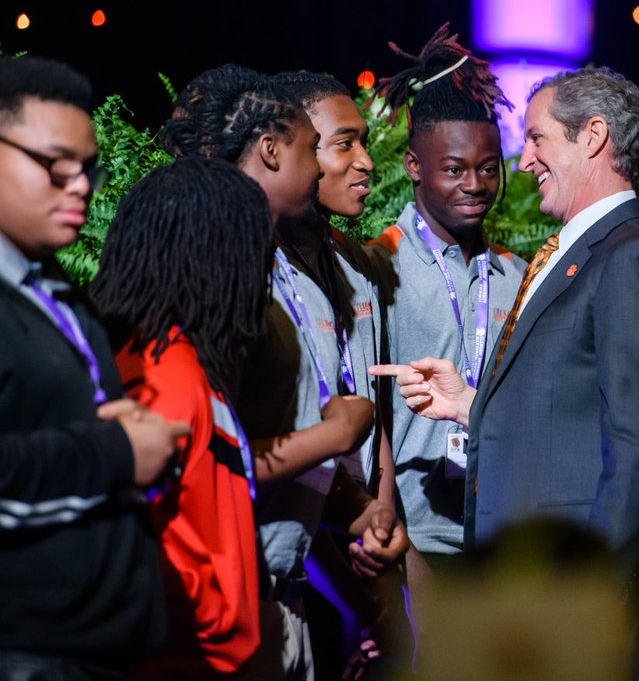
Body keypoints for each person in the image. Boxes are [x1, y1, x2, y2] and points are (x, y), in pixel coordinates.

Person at [373, 66, 639, 676]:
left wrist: (583, 594)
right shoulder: (581, 252)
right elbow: (571, 411)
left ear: (593, 136)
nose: (524, 162)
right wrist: (475, 405)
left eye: (537, 139)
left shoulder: (629, 258)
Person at [167, 68, 403, 680]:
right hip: (219, 598)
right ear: (272, 149)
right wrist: (332, 438)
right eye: (320, 147)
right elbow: (210, 460)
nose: (335, 167)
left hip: (290, 584)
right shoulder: (214, 273)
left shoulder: (315, 277)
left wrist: (359, 515)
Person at [0, 54, 189, 677]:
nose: (80, 185)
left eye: (88, 169)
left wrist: (135, 449)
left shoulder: (51, 291)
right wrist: (114, 454)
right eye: (56, 166)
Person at [90, 156, 274, 677]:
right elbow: (130, 547)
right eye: (254, 249)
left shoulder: (175, 359)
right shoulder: (162, 375)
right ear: (214, 256)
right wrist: (213, 612)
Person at [363, 24, 526, 576]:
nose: (475, 185)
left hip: (500, 535)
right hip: (413, 537)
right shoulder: (377, 266)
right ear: (413, 166)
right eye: (453, 170)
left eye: (487, 168)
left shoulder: (517, 276)